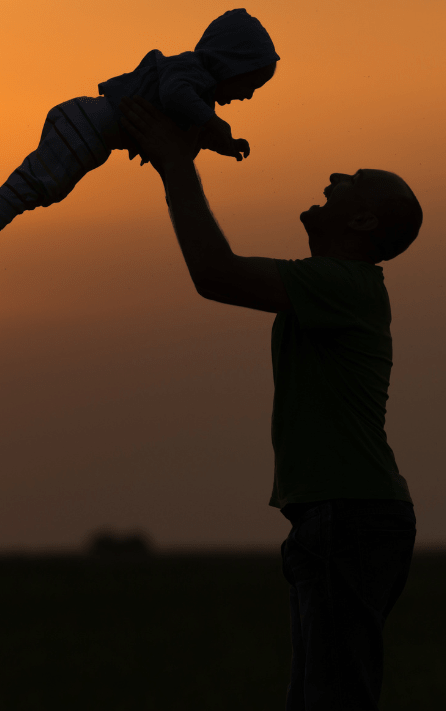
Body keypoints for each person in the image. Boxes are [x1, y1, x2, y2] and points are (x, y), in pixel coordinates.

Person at [117, 95, 422, 711]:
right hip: (337, 520)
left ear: (363, 224)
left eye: (352, 183)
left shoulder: (344, 285)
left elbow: (215, 274)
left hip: (351, 519)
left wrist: (177, 165)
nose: (335, 179)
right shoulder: (326, 288)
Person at [0, 8, 279, 279]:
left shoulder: (199, 94)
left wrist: (221, 141)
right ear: (232, 62)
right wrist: (213, 123)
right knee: (42, 182)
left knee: (48, 184)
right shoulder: (188, 70)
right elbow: (175, 95)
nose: (248, 95)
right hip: (89, 126)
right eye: (249, 84)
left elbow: (187, 130)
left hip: (87, 125)